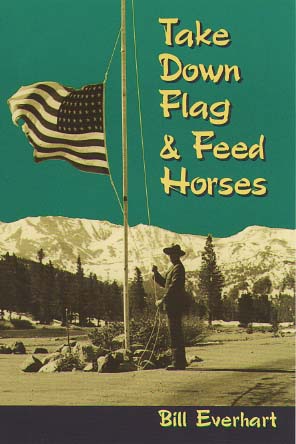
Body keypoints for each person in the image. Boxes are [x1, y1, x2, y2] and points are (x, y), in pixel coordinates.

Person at [152, 244, 187, 370]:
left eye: (173, 254)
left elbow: (173, 288)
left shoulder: (178, 268)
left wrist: (162, 300)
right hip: (172, 305)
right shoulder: (173, 268)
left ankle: (178, 362)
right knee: (174, 332)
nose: (171, 256)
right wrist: (156, 274)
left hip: (174, 305)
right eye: (170, 254)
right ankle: (179, 361)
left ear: (178, 255)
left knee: (175, 333)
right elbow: (165, 283)